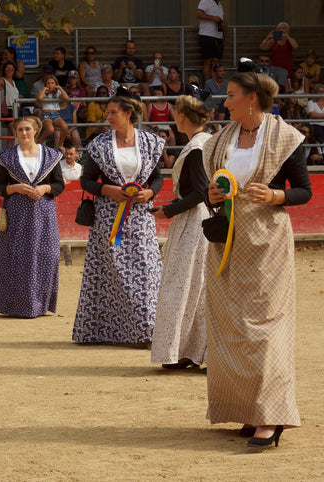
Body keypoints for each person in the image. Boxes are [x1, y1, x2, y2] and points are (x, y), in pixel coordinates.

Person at [203, 59, 311, 447]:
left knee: (266, 328)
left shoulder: (285, 137)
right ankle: (248, 410)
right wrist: (211, 194)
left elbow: (304, 191)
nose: (224, 101)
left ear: (251, 99)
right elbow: (210, 189)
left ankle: (273, 416)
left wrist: (274, 194)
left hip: (267, 243)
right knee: (232, 327)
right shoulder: (221, 139)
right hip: (227, 243)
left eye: (231, 95)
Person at [72, 91, 164, 345]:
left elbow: (157, 177)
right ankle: (109, 331)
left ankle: (147, 329)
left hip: (141, 218)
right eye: (107, 112)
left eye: (113, 112)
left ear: (128, 114)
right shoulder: (100, 144)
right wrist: (107, 189)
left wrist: (150, 192)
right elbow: (86, 181)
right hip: (108, 218)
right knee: (113, 277)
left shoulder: (150, 142)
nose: (108, 116)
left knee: (146, 273)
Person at [150, 93, 212, 370]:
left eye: (175, 111)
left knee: (184, 285)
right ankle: (189, 349)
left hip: (194, 222)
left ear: (183, 116)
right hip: (194, 219)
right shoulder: (201, 144)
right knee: (191, 286)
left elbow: (199, 192)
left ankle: (190, 350)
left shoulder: (198, 147)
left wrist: (169, 210)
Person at [0, 116, 64, 318]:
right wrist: (15, 188)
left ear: (36, 131)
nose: (24, 133)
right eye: (20, 129)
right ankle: (15, 305)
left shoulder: (50, 155)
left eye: (28, 129)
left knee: (47, 256)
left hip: (43, 214)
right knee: (14, 258)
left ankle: (40, 304)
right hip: (16, 214)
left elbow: (58, 184)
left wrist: (45, 188)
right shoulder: (6, 156)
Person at [196, 0, 226, 84]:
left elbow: (222, 17)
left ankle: (214, 84)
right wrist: (213, 18)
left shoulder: (219, 4)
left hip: (218, 35)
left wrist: (224, 23)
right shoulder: (205, 1)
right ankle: (208, 84)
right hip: (207, 35)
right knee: (207, 61)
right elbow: (198, 14)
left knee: (216, 61)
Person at [0, 61, 20, 146]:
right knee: (16, 132)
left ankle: (8, 154)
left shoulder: (13, 82)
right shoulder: (2, 80)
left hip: (15, 110)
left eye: (12, 69)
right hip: (8, 110)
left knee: (10, 135)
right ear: (4, 70)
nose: (9, 70)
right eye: (7, 68)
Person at [37, 75, 70, 148]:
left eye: (52, 83)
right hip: (46, 114)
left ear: (55, 84)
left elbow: (66, 98)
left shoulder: (58, 92)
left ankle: (60, 144)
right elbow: (39, 98)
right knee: (50, 129)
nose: (50, 85)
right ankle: (41, 139)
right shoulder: (43, 92)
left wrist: (60, 88)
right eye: (48, 83)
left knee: (65, 127)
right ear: (45, 84)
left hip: (56, 114)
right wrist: (44, 89)